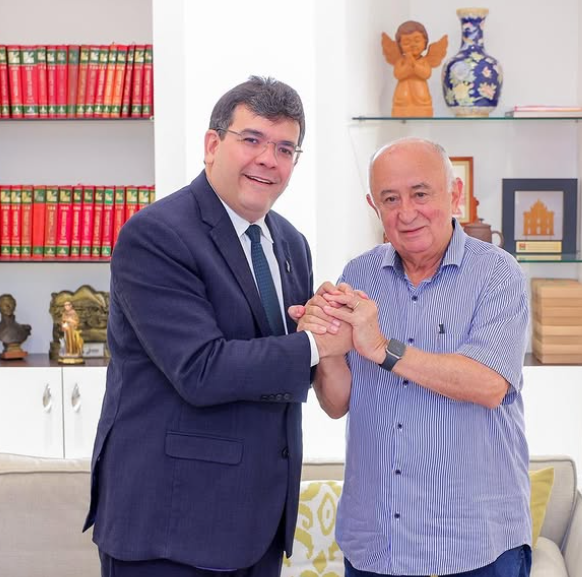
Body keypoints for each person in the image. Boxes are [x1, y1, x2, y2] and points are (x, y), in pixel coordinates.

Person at [83, 76, 347, 577]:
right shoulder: (156, 235)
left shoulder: (291, 244)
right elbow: (201, 369)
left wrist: (330, 330)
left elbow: (290, 369)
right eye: (252, 140)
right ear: (212, 144)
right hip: (169, 528)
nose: (268, 159)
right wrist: (317, 343)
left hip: (259, 524)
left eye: (285, 148)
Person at [297, 137, 531, 576]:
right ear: (374, 206)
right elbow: (336, 403)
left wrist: (382, 349)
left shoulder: (499, 274)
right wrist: (325, 348)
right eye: (390, 199)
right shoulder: (358, 275)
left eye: (420, 194)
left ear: (454, 193)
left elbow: (488, 385)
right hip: (375, 544)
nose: (406, 213)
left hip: (474, 548)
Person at [381, 21, 448, 117]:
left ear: (425, 42)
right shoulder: (401, 61)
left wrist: (414, 64)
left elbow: (426, 74)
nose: (412, 45)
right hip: (402, 98)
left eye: (417, 41)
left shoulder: (423, 61)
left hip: (421, 97)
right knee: (402, 103)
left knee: (423, 106)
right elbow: (398, 74)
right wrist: (408, 65)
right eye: (406, 42)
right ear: (399, 46)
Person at [0, 293, 31, 358]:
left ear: (14, 306)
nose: (8, 306)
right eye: (4, 304)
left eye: (11, 303)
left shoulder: (23, 329)